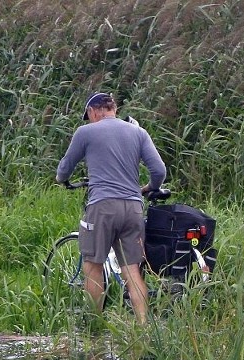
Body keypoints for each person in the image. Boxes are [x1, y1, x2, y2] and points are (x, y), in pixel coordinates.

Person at [56, 92, 166, 324]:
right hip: (134, 208)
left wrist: (61, 179)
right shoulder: (139, 132)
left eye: (88, 115)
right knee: (132, 270)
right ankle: (143, 326)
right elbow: (159, 170)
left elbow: (65, 168)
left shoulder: (85, 132)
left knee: (93, 265)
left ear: (94, 111)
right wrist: (146, 188)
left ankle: (94, 325)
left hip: (102, 207)